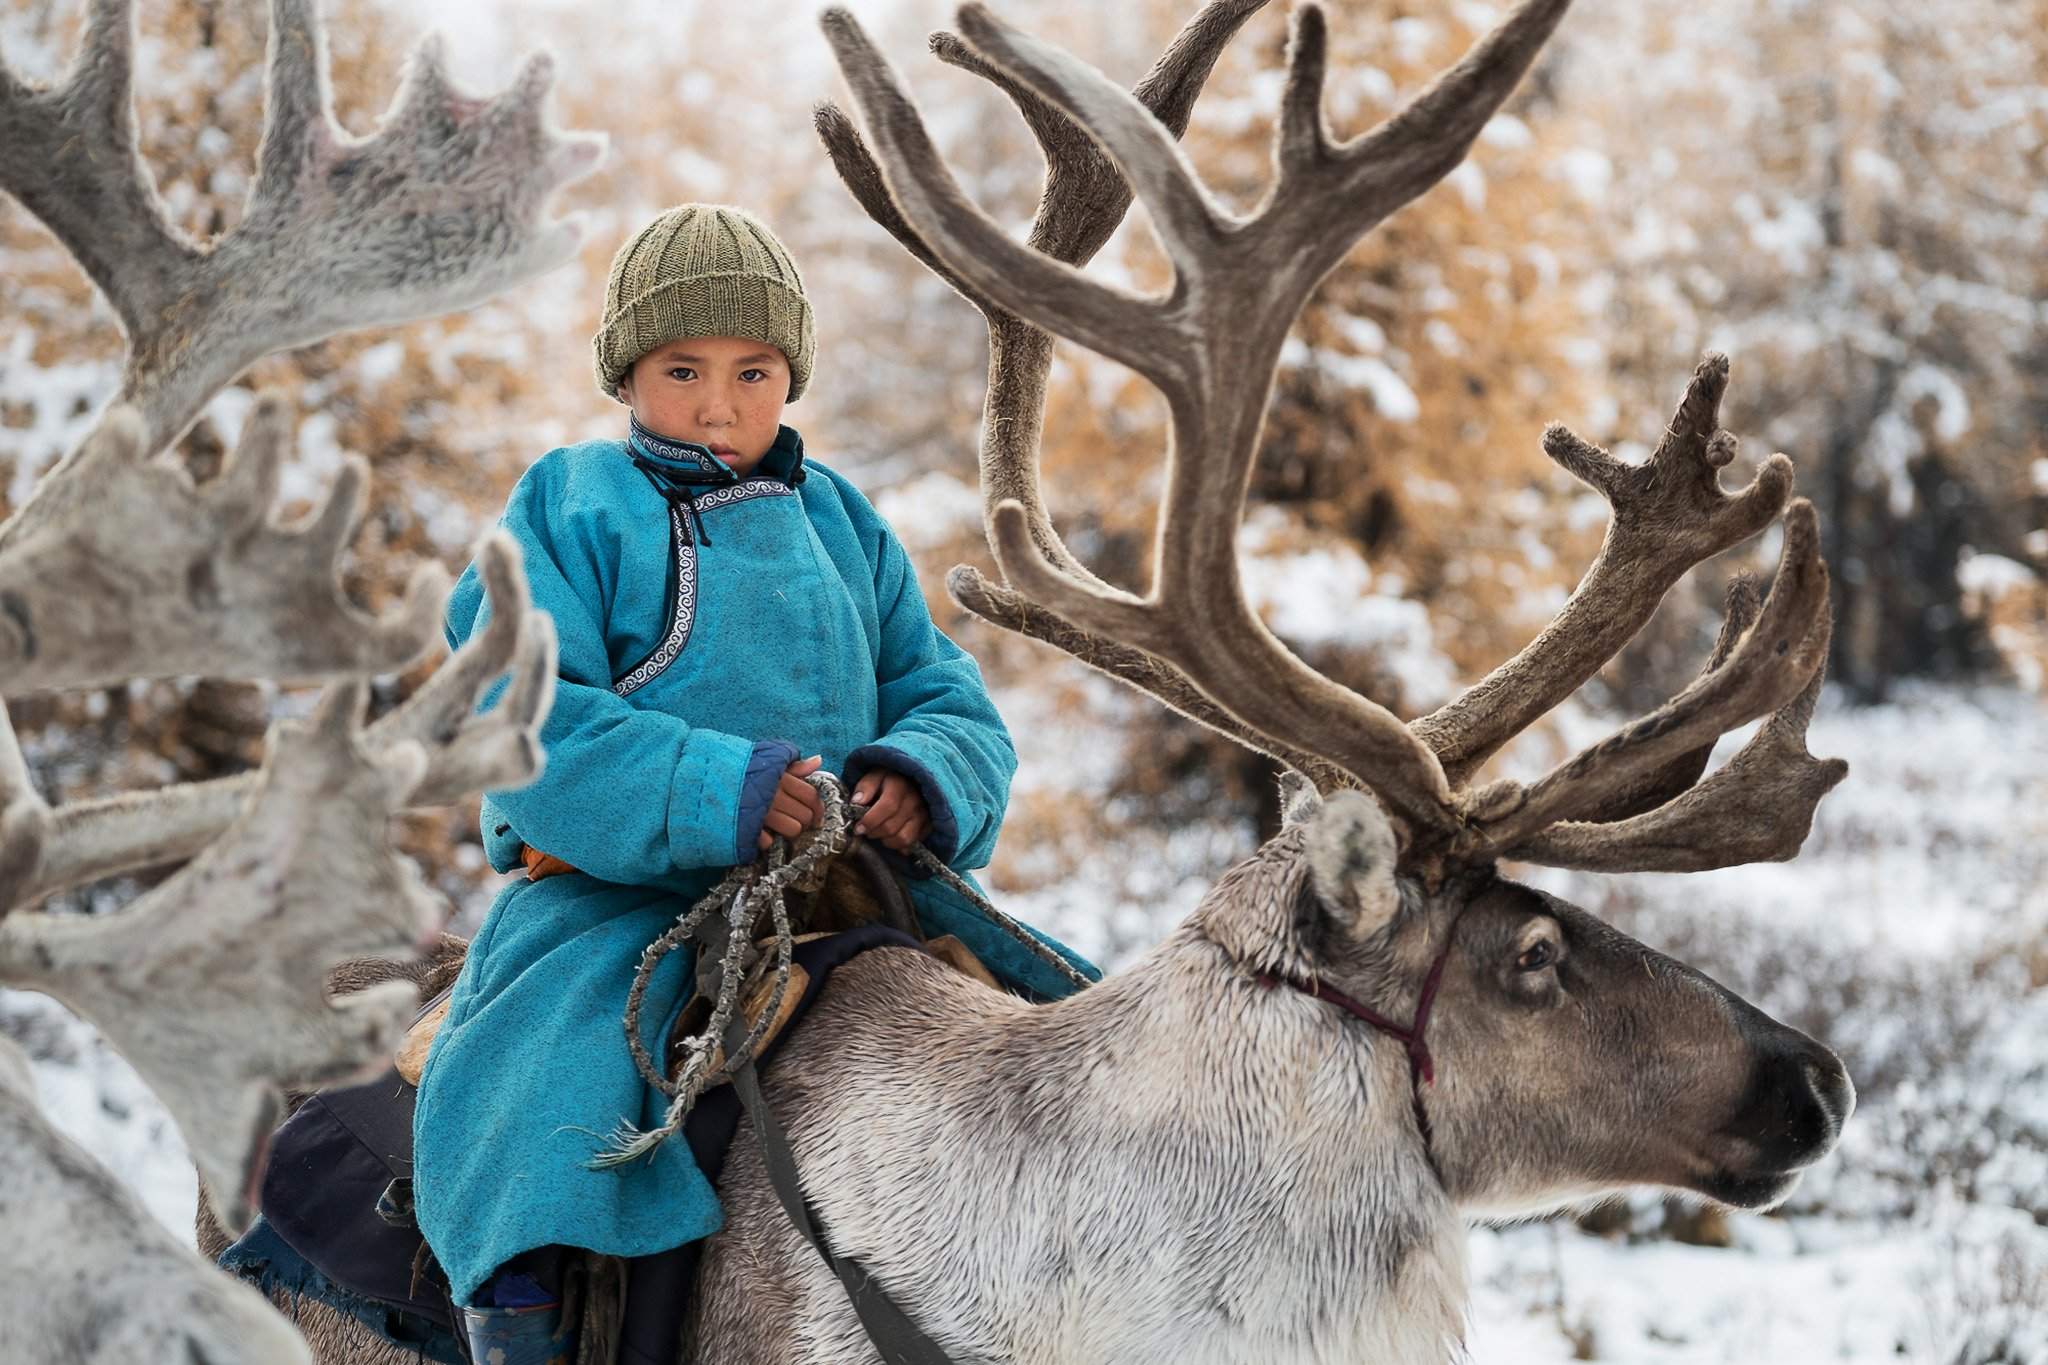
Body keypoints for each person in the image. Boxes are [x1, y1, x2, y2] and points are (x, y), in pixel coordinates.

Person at [411, 203, 1095, 1363]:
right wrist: (711, 784)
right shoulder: (568, 502)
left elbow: (944, 694)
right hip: (617, 900)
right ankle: (518, 1319)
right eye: (681, 370)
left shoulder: (840, 520)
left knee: (1076, 1049)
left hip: (854, 890)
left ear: (791, 377)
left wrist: (919, 779)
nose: (718, 404)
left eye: (753, 370)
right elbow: (512, 705)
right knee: (536, 1112)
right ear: (626, 374)